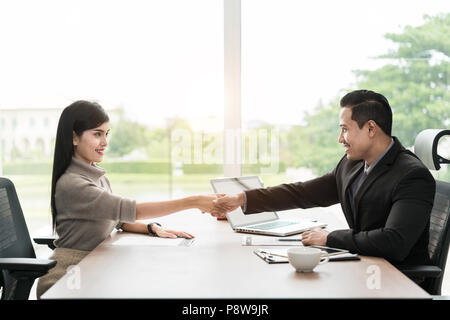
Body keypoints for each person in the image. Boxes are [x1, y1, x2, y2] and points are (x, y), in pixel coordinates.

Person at [210, 89, 436, 268]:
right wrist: (242, 199)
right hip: (362, 266)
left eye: (345, 129)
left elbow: (394, 242)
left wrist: (330, 239)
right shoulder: (352, 164)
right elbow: (303, 193)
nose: (340, 139)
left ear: (370, 128)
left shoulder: (412, 176)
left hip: (396, 280)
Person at [37, 100, 218, 299]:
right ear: (74, 138)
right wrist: (192, 201)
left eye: (107, 134)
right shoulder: (73, 184)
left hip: (92, 266)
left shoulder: (97, 177)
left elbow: (118, 219)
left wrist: (152, 228)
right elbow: (131, 210)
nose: (105, 142)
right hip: (67, 278)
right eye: (97, 134)